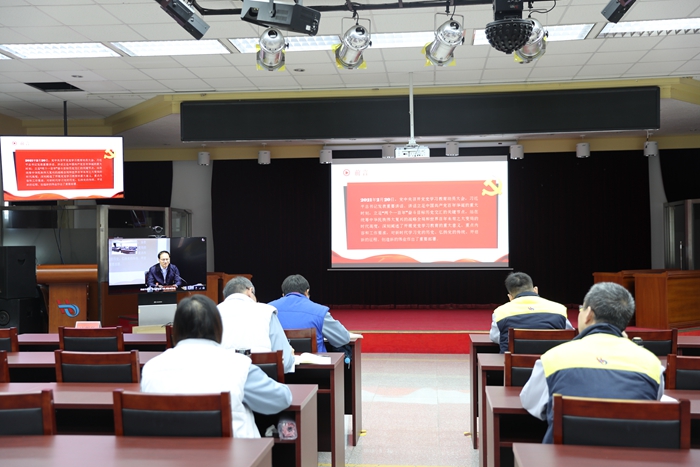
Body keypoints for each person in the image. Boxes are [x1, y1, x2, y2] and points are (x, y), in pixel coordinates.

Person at [519, 282, 664, 444]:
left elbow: (529, 402)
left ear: (588, 314)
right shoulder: (652, 364)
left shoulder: (552, 359)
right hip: (631, 455)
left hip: (565, 455)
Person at [140, 295, 292, 438]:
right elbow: (282, 399)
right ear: (218, 327)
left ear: (176, 329)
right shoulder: (238, 365)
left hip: (169, 454)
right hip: (235, 454)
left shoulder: (151, 368)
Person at [217, 276, 295, 374]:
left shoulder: (212, 313)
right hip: (262, 379)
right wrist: (290, 356)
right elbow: (285, 362)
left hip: (223, 380)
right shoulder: (267, 311)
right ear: (250, 291)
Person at [490, 272, 573, 353]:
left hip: (514, 362)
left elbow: (495, 337)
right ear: (535, 290)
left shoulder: (500, 312)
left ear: (510, 297)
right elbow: (569, 336)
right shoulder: (559, 309)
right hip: (551, 362)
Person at [268, 274, 350, 353]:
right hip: (315, 362)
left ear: (283, 295)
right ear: (307, 292)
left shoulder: (267, 310)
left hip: (278, 362)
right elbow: (344, 338)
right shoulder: (319, 311)